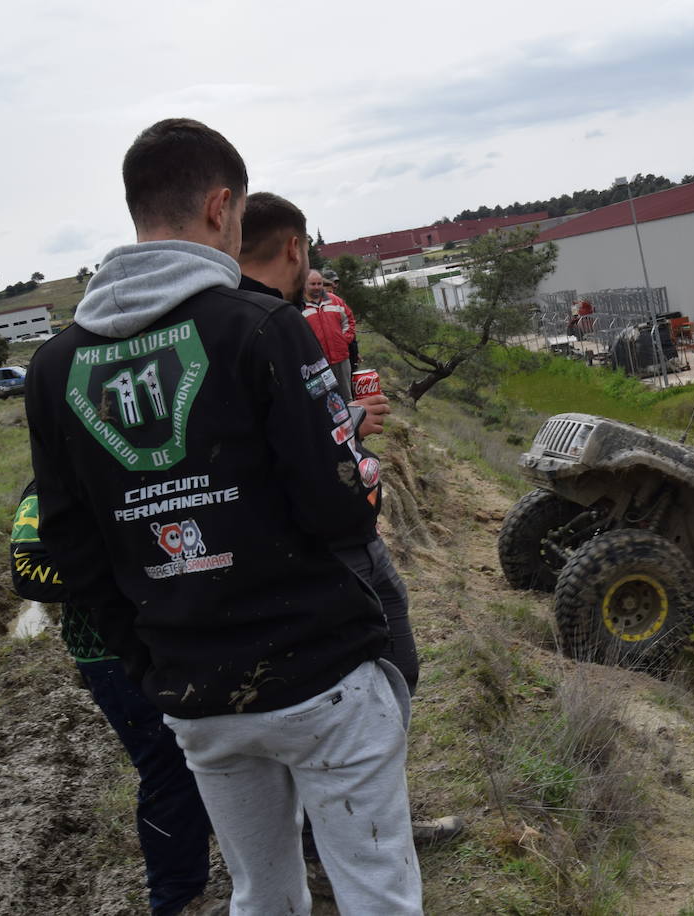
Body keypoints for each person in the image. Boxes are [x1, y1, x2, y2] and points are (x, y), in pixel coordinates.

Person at [25, 118, 422, 914]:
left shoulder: (56, 367)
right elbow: (339, 510)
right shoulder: (264, 328)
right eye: (237, 218)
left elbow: (68, 551)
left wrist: (150, 665)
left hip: (194, 695)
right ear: (219, 206)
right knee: (376, 892)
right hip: (321, 679)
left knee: (261, 896)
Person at [236, 193, 463, 849]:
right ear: (295, 248)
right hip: (336, 542)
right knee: (386, 670)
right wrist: (354, 431)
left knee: (373, 681)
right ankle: (359, 836)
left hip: (299, 550)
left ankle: (350, 827)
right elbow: (305, 451)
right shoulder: (274, 327)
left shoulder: (246, 325)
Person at [9, 482, 215, 915]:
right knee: (169, 769)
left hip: (183, 635)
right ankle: (178, 898)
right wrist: (125, 571)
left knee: (222, 752)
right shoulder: (48, 490)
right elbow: (27, 570)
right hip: (109, 652)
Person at [302, 269, 354, 400]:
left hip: (341, 359)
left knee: (347, 398)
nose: (317, 287)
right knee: (323, 401)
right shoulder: (299, 306)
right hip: (316, 364)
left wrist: (344, 340)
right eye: (312, 284)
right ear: (305, 285)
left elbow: (349, 321)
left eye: (319, 283)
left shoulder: (335, 301)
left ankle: (352, 420)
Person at [322, 269, 360, 372]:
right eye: (330, 283)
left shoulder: (338, 301)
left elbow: (349, 323)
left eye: (336, 282)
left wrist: (355, 352)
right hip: (333, 357)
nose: (334, 285)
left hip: (346, 351)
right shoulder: (316, 302)